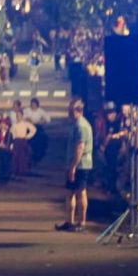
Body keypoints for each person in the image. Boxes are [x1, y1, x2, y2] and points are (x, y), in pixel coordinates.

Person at [56, 99, 93, 233]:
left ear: (79, 111)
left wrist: (73, 166)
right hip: (75, 163)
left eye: (71, 111)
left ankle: (82, 222)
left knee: (80, 192)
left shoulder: (81, 126)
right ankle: (70, 221)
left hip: (81, 164)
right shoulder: (76, 124)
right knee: (70, 192)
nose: (69, 114)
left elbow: (80, 147)